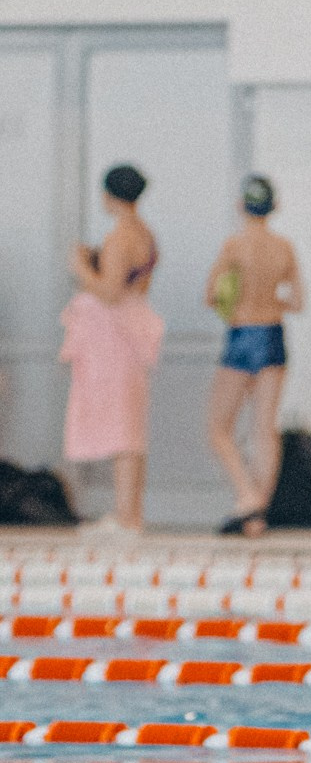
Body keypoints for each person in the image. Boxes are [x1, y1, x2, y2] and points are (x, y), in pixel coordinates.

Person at [60, 163, 163, 536]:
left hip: (117, 339)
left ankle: (126, 517)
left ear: (109, 195)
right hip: (132, 331)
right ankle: (128, 514)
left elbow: (110, 292)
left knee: (123, 426)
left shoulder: (122, 238)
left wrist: (82, 268)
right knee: (129, 423)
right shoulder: (146, 235)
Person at [203, 174, 303, 537]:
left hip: (243, 335)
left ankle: (246, 494)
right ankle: (257, 515)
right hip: (273, 335)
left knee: (218, 427)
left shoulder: (234, 246)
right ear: (273, 207)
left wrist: (239, 301)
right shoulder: (285, 248)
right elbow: (298, 301)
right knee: (265, 429)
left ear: (241, 206)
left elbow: (210, 295)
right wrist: (269, 300)